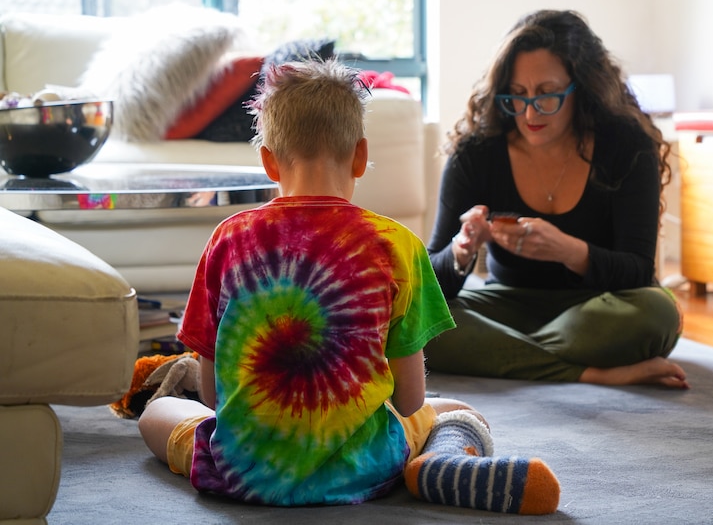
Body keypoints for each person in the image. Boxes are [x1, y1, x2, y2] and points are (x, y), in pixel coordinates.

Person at [137, 59, 560, 514]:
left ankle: (431, 463)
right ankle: (441, 464)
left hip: (243, 472)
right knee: (455, 408)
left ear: (267, 162)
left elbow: (212, 397)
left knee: (156, 415)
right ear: (360, 155)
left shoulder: (227, 238)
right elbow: (410, 399)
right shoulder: (396, 245)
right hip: (368, 468)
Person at [424, 9, 689, 389]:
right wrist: (461, 251)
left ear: (581, 88)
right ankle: (592, 372)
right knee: (414, 319)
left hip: (598, 308)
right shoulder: (476, 153)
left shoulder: (627, 147)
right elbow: (432, 283)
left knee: (657, 312)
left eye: (547, 94)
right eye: (517, 96)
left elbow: (637, 270)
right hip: (505, 306)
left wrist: (568, 251)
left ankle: (507, 356)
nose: (530, 112)